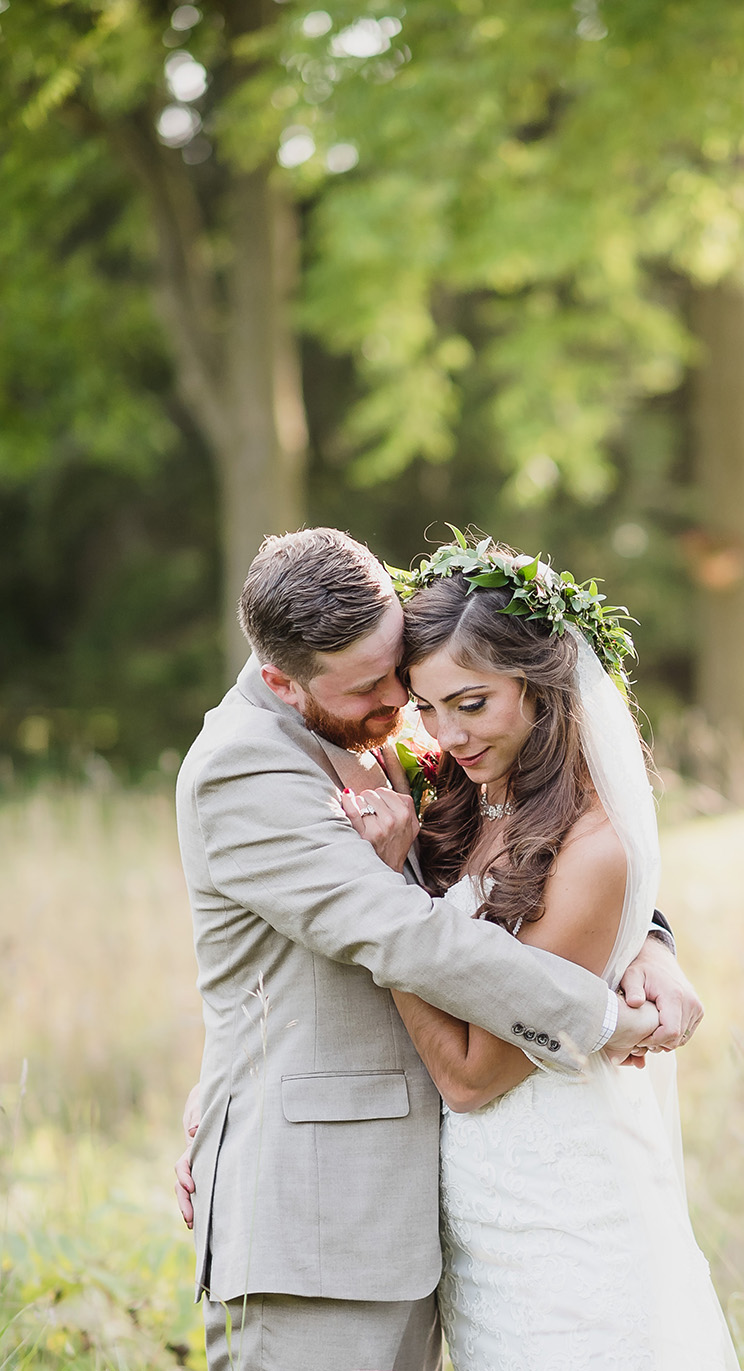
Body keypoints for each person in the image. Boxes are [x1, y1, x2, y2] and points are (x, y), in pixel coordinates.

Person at [174, 526, 702, 1371]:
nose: (404, 707)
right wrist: (598, 1014)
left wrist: (642, 940)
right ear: (282, 680)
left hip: (430, 1206)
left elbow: (531, 859)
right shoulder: (246, 770)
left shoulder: (391, 712)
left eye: (403, 675)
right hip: (318, 1215)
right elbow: (404, 930)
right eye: (373, 690)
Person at [342, 536, 740, 1370]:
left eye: (472, 702)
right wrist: (651, 943)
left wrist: (385, 904)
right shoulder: (470, 790)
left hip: (564, 1216)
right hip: (480, 1216)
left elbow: (471, 1076)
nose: (447, 733)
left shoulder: (592, 845)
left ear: (540, 681)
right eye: (428, 706)